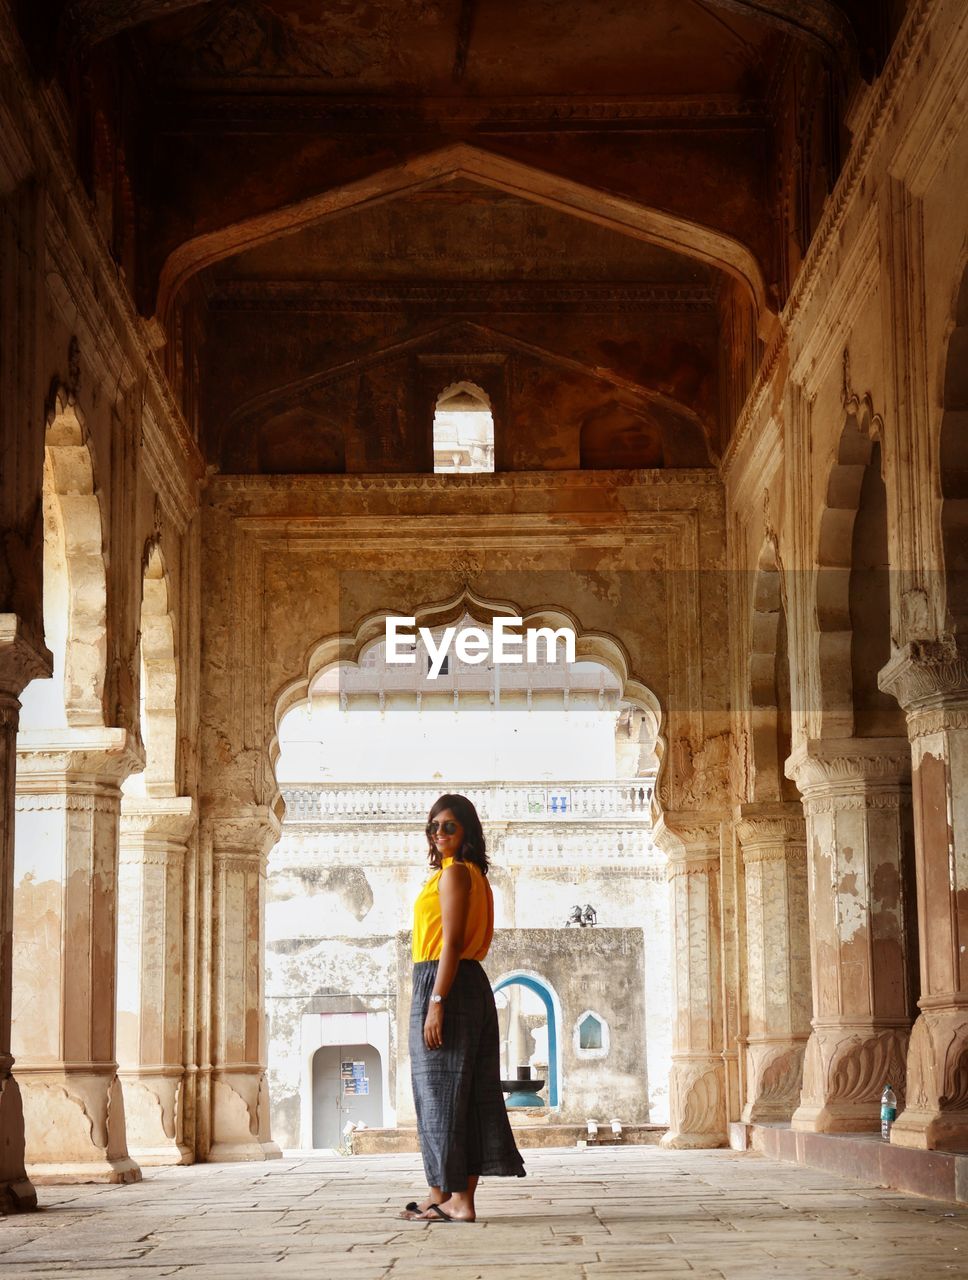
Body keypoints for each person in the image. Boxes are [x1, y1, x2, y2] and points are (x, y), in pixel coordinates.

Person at [402, 793, 525, 1223]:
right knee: (462, 1094)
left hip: (445, 982)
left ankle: (456, 1200)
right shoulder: (471, 875)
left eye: (448, 826)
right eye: (433, 826)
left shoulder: (455, 876)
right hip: (463, 981)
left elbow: (451, 942)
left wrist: (436, 1002)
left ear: (467, 831)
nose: (439, 833)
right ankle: (445, 1196)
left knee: (440, 1096)